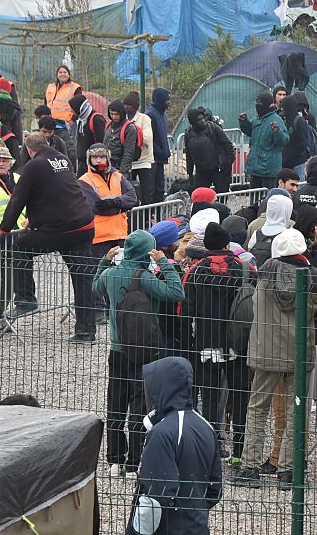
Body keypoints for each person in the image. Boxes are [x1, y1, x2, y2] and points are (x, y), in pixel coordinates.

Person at [230, 228, 317, 489]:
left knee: (257, 409)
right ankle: (288, 471)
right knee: (296, 411)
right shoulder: (311, 278)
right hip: (299, 351)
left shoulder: (264, 275)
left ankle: (250, 467)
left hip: (266, 351)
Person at [93, 229, 184, 477]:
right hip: (144, 349)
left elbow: (94, 285)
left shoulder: (111, 274)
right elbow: (176, 293)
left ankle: (113, 460)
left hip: (118, 348)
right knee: (139, 405)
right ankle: (134, 462)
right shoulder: (143, 276)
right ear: (147, 252)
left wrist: (104, 260)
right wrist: (164, 264)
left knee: (115, 403)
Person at [0, 133, 96, 339]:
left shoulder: (34, 165)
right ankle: (86, 331)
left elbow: (19, 199)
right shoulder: (63, 159)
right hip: (83, 225)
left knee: (20, 247)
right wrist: (34, 221)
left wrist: (5, 228)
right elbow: (54, 194)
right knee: (82, 278)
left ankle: (26, 300)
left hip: (61, 229)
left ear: (28, 149)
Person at [128, 357, 222, 535]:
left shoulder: (161, 433)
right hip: (198, 527)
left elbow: (155, 499)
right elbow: (214, 490)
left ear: (162, 388)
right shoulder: (206, 426)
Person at [183, 222, 247, 445]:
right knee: (239, 395)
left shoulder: (195, 272)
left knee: (209, 395)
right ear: (227, 244)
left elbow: (185, 311)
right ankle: (239, 449)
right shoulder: (242, 268)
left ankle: (211, 445)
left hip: (205, 343)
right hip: (237, 343)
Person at [79, 143, 138, 324]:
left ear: (108, 158)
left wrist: (112, 202)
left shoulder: (118, 176)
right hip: (99, 236)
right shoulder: (84, 180)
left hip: (120, 234)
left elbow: (133, 198)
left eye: (102, 157)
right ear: (89, 159)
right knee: (99, 274)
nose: (99, 160)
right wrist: (119, 204)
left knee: (120, 273)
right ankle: (98, 310)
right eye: (95, 157)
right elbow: (95, 206)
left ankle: (116, 308)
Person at [240, 92, 290, 190]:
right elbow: (251, 132)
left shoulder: (276, 119)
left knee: (268, 197)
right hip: (255, 167)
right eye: (257, 102)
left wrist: (277, 131)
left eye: (260, 103)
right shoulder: (256, 119)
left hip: (269, 169)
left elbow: (284, 140)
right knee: (254, 197)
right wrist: (244, 122)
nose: (257, 105)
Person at [184, 107, 235, 193]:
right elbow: (189, 155)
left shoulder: (213, 128)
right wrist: (190, 174)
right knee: (200, 196)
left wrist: (227, 164)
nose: (203, 121)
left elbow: (227, 145)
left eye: (203, 118)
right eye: (199, 120)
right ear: (193, 122)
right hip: (201, 171)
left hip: (218, 168)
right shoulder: (188, 134)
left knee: (221, 195)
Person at [121, 92, 155, 205]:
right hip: (128, 162)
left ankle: (147, 218)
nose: (126, 107)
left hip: (144, 161)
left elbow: (147, 138)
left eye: (129, 105)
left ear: (135, 106)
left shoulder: (145, 119)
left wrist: (132, 134)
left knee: (147, 191)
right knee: (130, 192)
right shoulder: (122, 119)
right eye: (125, 104)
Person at [68, 94, 108, 176]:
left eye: (73, 110)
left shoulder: (96, 119)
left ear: (79, 108)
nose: (72, 112)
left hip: (93, 164)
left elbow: (101, 143)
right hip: (83, 163)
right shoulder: (82, 120)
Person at [144, 88, 171, 203]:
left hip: (160, 159)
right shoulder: (150, 115)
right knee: (151, 190)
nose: (169, 103)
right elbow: (150, 139)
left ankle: (158, 215)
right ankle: (149, 217)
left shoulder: (162, 115)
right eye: (167, 100)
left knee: (160, 189)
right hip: (152, 159)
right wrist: (159, 151)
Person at [281, 91, 314, 179]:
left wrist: (291, 156)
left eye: (283, 107)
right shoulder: (285, 120)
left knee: (299, 186)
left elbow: (303, 143)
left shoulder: (299, 121)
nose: (282, 109)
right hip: (288, 162)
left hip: (299, 162)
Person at [105, 100, 139, 180]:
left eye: (116, 114)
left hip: (120, 167)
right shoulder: (109, 125)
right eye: (111, 114)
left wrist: (122, 172)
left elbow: (129, 152)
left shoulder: (129, 128)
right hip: (107, 165)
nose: (114, 117)